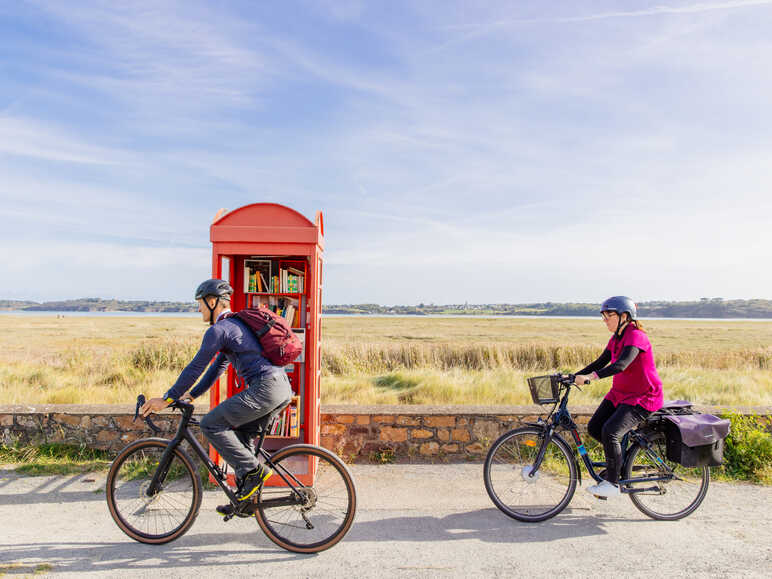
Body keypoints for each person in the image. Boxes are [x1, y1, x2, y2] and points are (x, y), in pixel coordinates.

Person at [141, 279, 292, 516]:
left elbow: (195, 367)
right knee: (242, 437)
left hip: (266, 388)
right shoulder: (234, 326)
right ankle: (245, 501)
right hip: (281, 387)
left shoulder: (218, 330)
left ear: (212, 302)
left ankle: (255, 472)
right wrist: (191, 394)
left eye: (200, 303)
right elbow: (215, 369)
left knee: (210, 424)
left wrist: (168, 398)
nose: (198, 309)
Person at [573, 296, 663, 498]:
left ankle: (613, 483)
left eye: (609, 315)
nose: (605, 319)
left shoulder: (636, 335)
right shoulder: (616, 338)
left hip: (643, 397)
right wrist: (572, 376)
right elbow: (601, 361)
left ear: (625, 316)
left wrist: (590, 378)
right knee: (595, 427)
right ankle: (620, 465)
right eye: (603, 316)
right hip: (620, 394)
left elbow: (621, 365)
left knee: (611, 432)